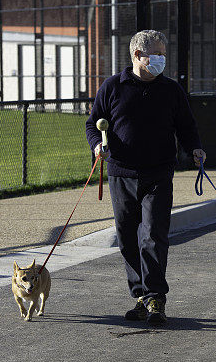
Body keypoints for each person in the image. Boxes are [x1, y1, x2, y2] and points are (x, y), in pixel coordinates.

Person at [86, 30, 205, 326]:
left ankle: (155, 298)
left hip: (159, 173)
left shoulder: (171, 90)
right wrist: (97, 145)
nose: (163, 60)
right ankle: (139, 296)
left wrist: (195, 148)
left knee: (153, 234)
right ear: (138, 56)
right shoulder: (113, 87)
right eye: (157, 54)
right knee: (127, 237)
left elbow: (186, 126)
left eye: (164, 54)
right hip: (121, 173)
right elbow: (92, 123)